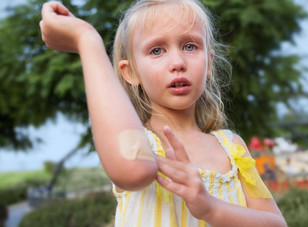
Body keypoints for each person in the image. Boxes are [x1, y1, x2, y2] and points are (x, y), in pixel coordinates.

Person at [39, 0, 287, 226]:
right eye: (156, 50)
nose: (178, 62)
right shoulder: (141, 146)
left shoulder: (232, 148)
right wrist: (86, 40)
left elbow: (277, 224)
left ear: (209, 63)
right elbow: (134, 171)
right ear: (130, 72)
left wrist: (211, 209)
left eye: (190, 46)